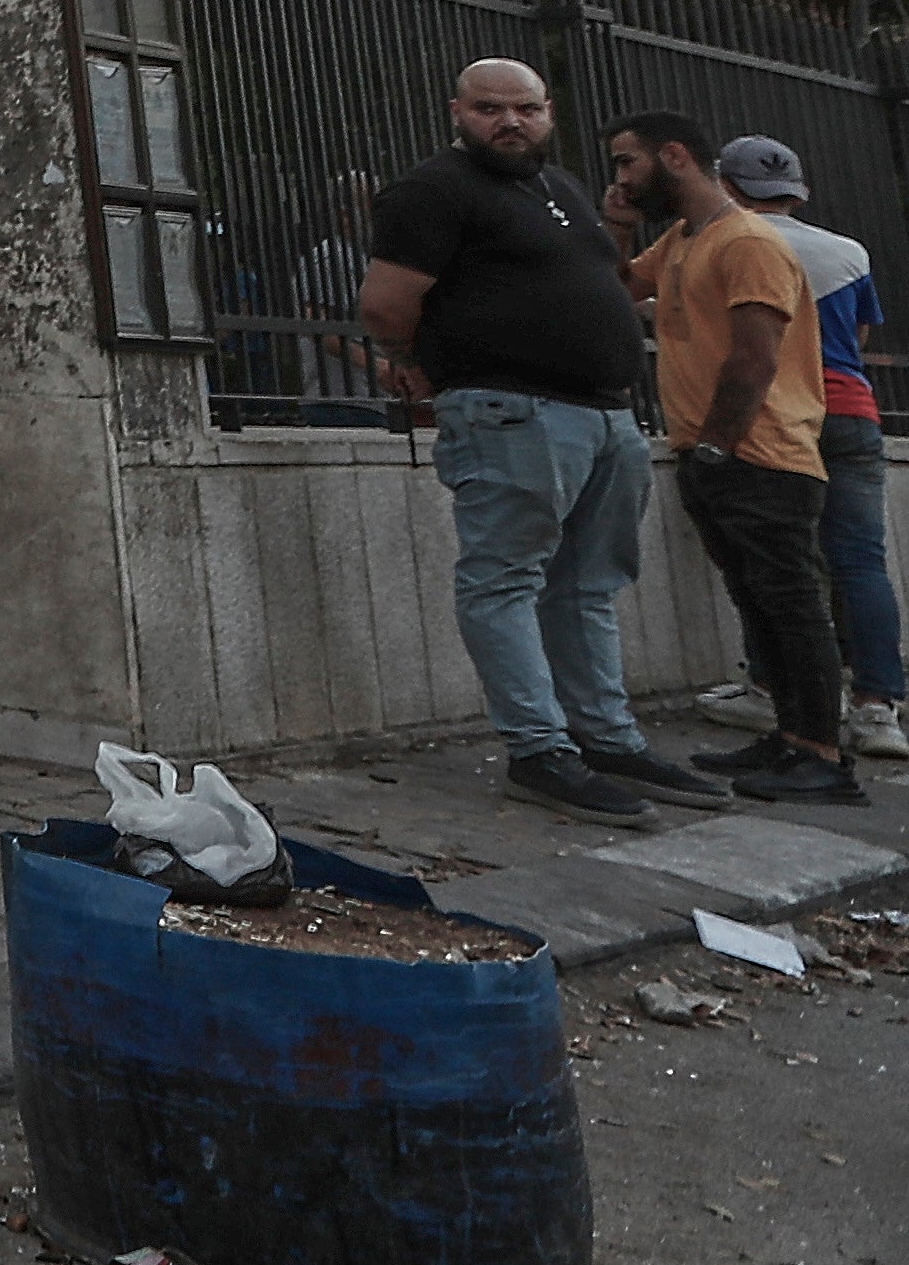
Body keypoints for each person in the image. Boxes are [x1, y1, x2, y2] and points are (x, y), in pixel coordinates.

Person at [352, 59, 725, 823]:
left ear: (549, 113)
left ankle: (606, 740)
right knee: (504, 580)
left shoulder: (561, 191)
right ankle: (538, 749)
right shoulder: (433, 191)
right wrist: (420, 365)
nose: (510, 122)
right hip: (510, 414)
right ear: (458, 111)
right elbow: (387, 309)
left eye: (526, 109)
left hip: (604, 416)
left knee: (589, 585)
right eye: (490, 109)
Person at [607, 113, 856, 805]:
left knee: (792, 603)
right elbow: (614, 290)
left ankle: (824, 755)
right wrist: (620, 229)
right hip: (714, 452)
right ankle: (789, 737)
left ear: (676, 157)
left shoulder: (749, 241)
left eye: (630, 163)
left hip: (762, 453)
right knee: (758, 602)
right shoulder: (686, 240)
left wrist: (718, 445)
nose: (622, 177)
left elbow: (756, 356)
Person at [692, 138, 902, 758]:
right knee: (860, 559)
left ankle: (771, 689)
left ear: (725, 185)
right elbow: (857, 336)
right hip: (854, 411)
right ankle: (878, 707)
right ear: (797, 189)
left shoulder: (730, 245)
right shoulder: (849, 252)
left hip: (778, 414)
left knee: (777, 562)